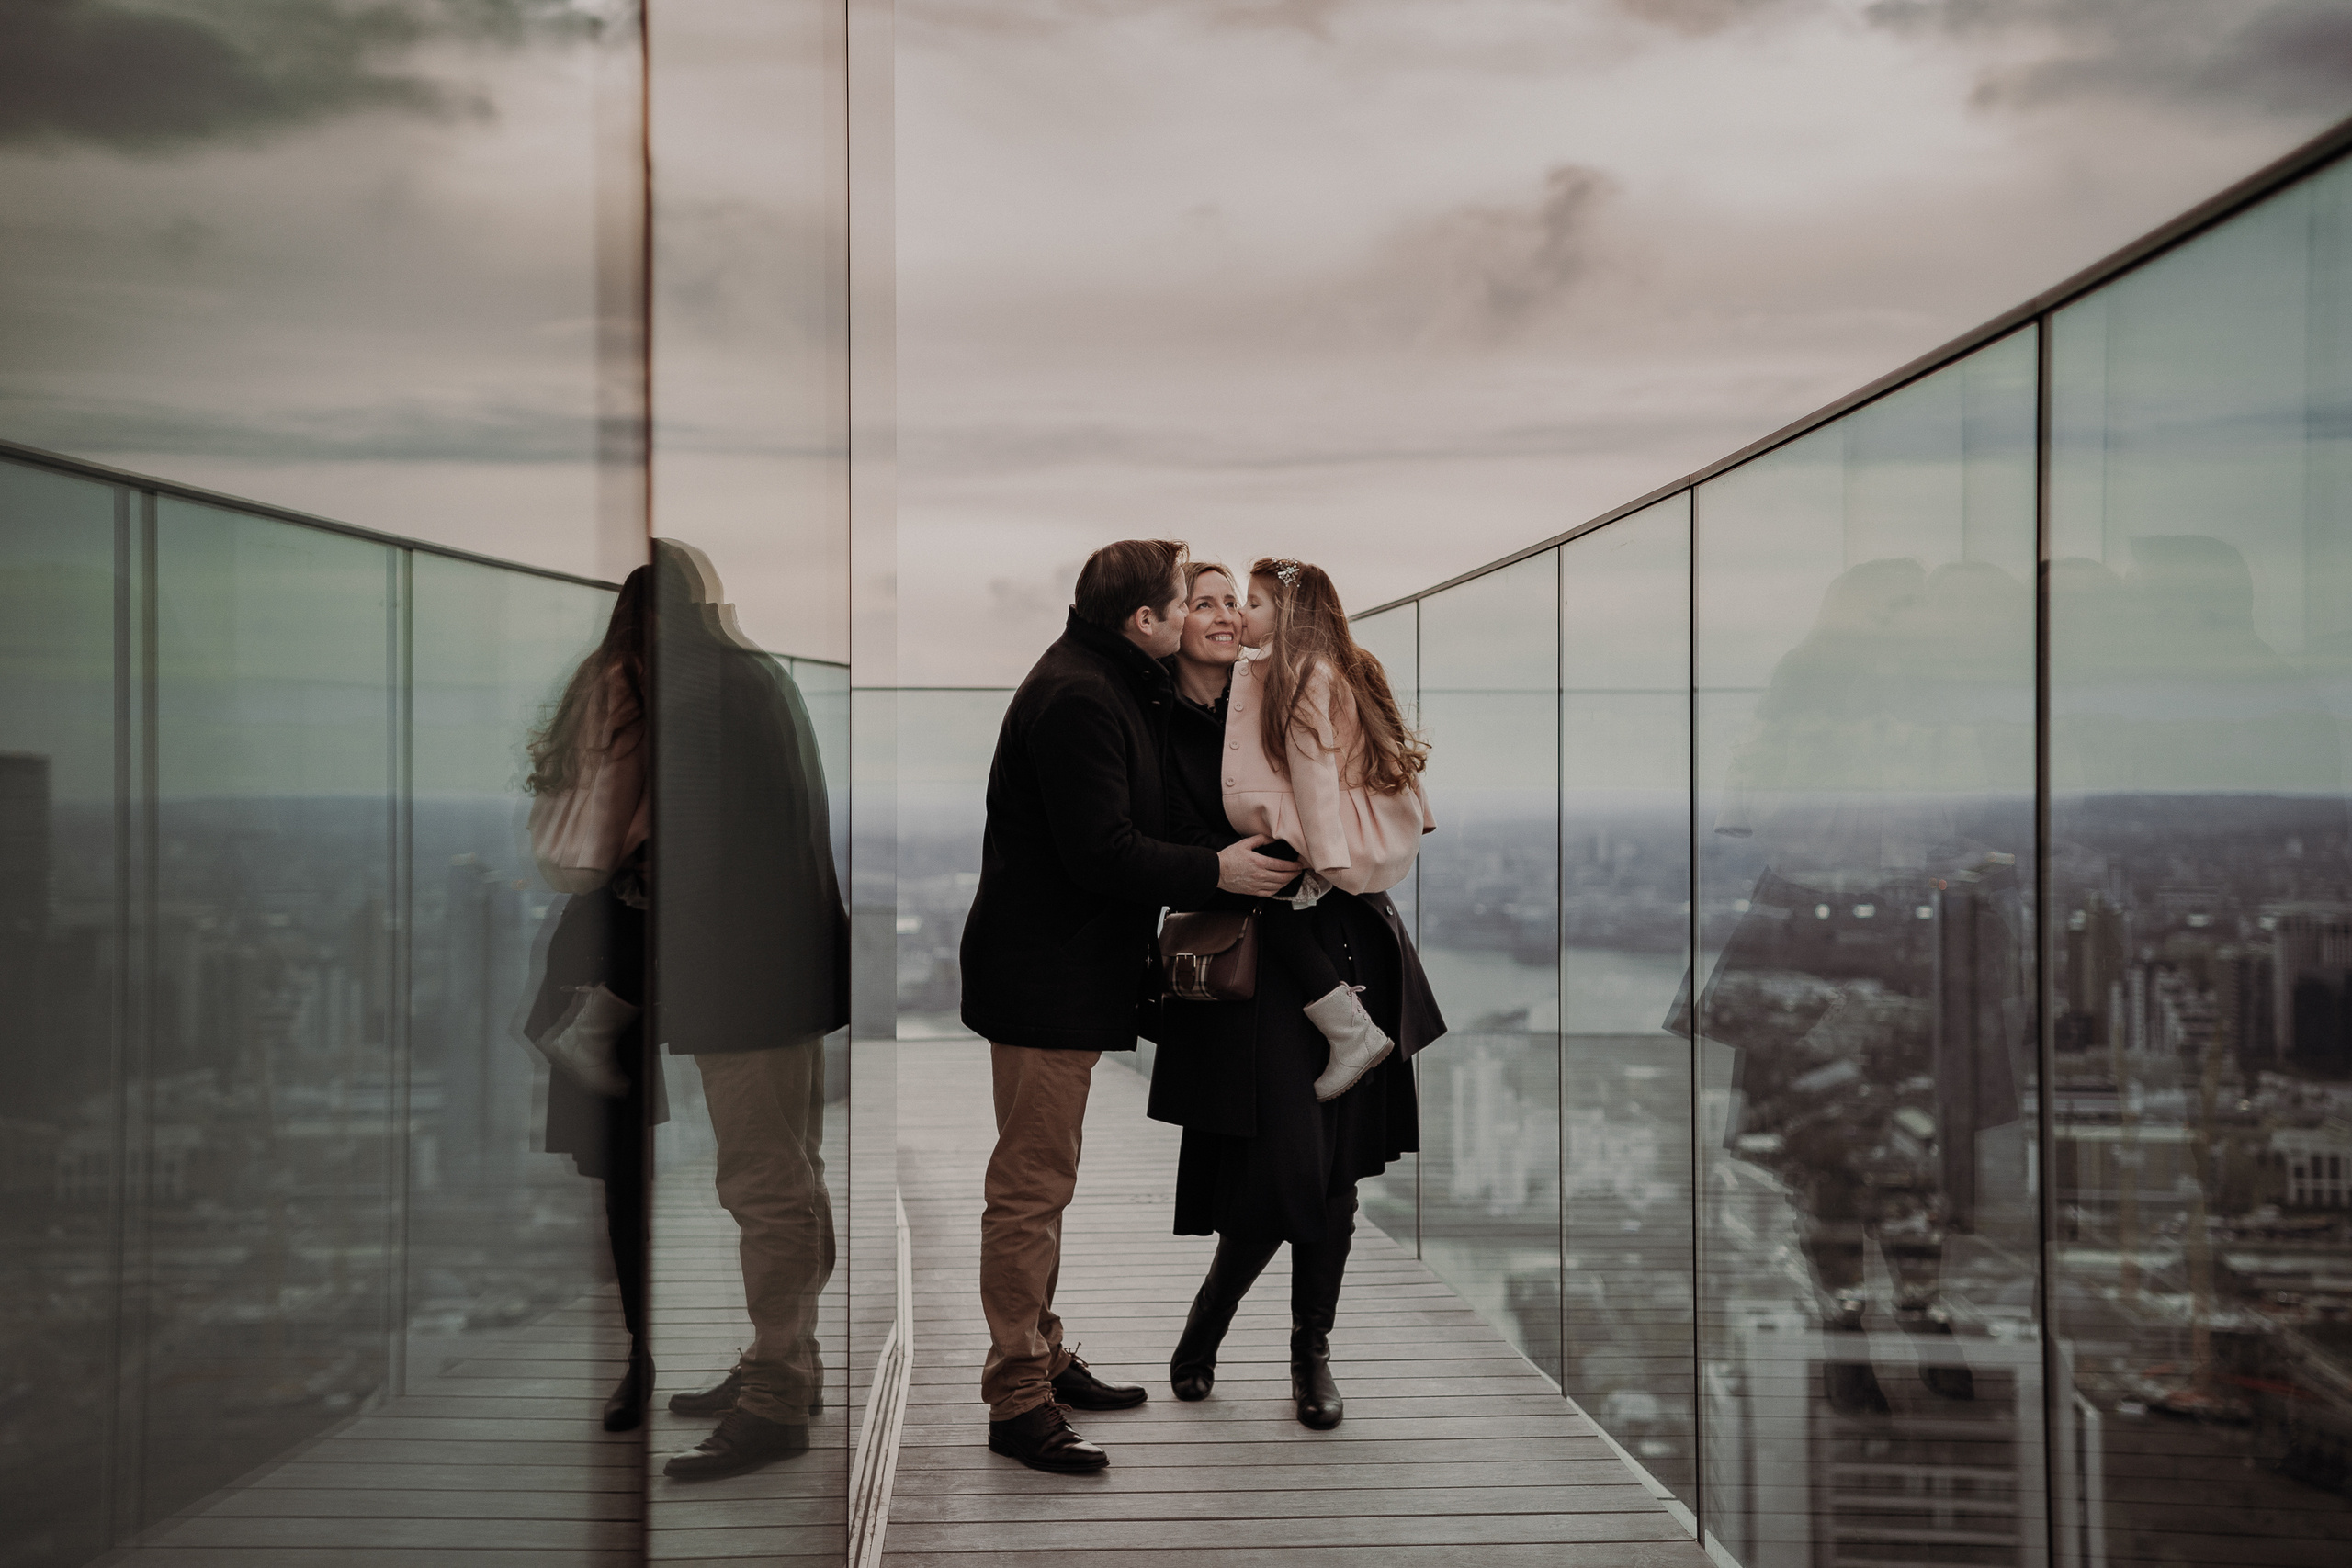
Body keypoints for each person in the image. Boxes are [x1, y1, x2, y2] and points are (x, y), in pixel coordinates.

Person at [959, 539, 1305, 1473]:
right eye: (1181, 604)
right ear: (1144, 623)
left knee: (1046, 1180)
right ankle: (1016, 1400)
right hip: (1043, 980)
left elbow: (1144, 818)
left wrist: (1258, 849)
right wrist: (1218, 869)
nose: (1203, 618)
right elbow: (1102, 851)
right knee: (1028, 1192)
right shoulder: (1081, 696)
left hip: (1061, 972)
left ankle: (1043, 1353)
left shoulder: (1107, 682)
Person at [1148, 558, 1445, 1430]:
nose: (1228, 615)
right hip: (1259, 958)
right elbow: (1178, 830)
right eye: (1205, 602)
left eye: (1237, 601)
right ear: (1170, 621)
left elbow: (1373, 785)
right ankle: (1210, 1321)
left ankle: (1310, 1350)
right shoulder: (1175, 715)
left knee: (1336, 1173)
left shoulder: (1311, 679)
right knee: (1287, 1168)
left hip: (1343, 930)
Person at [607, 541, 851, 1481]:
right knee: (791, 1173)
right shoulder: (759, 674)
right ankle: (782, 1361)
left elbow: (695, 853)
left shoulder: (696, 692)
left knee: (761, 1188)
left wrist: (635, 908)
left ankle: (776, 1396)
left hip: (741, 976)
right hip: (787, 965)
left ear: (647, 623)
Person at [523, 568, 663, 1434]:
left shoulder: (596, 681)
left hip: (596, 932)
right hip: (637, 929)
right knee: (630, 1168)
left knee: (619, 1168)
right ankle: (653, 1354)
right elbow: (626, 823)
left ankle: (639, 1353)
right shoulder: (642, 693)